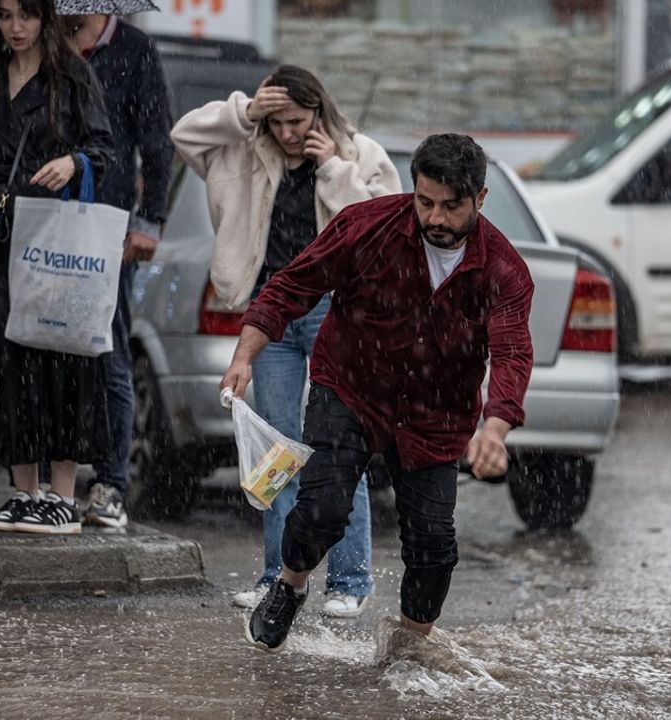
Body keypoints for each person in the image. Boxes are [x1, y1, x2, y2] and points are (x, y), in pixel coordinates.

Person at [220, 133, 534, 652]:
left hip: (437, 413)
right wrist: (244, 356)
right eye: (425, 202)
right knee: (322, 509)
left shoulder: (504, 270)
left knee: (434, 544)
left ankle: (411, 646)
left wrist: (495, 428)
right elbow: (290, 286)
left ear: (480, 199)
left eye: (451, 207)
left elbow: (513, 352)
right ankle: (290, 586)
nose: (435, 218)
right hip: (351, 388)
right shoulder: (365, 227)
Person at [171, 65, 401, 618]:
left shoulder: (360, 154)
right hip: (270, 311)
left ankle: (349, 580)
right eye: (276, 122)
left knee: (341, 445)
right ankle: (277, 575)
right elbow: (183, 135)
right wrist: (245, 113)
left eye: (296, 121)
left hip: (333, 310)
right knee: (275, 451)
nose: (288, 133)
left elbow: (381, 228)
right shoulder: (247, 150)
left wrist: (334, 170)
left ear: (318, 112)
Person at [0, 0, 115, 534]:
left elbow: (105, 149)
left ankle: (62, 494)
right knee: (9, 364)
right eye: (3, 16)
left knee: (62, 362)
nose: (15, 27)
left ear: (45, 17)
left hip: (56, 241)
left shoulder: (72, 75)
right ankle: (24, 491)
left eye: (25, 15)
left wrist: (75, 162)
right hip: (2, 241)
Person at [65, 13, 173, 529]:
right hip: (50, 217)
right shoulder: (45, 37)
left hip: (109, 224)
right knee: (47, 348)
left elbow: (156, 140)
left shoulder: (132, 48)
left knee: (109, 350)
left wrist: (148, 220)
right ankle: (52, 480)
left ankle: (111, 482)